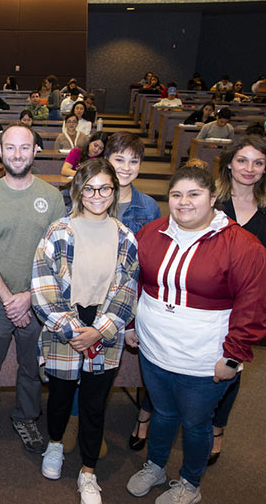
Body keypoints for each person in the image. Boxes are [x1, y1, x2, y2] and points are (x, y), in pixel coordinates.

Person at [125, 166, 266, 504]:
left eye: (194, 194)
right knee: (162, 413)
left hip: (205, 359)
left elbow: (255, 306)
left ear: (213, 197)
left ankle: (190, 483)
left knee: (194, 423)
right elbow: (132, 283)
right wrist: (131, 324)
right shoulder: (151, 233)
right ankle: (155, 465)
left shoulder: (242, 245)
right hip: (155, 351)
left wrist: (233, 356)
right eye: (176, 195)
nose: (183, 202)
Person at [33, 158, 139, 504]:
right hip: (65, 325)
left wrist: (100, 330)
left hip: (103, 330)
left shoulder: (125, 237)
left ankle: (88, 473)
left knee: (95, 405)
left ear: (114, 191)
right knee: (60, 399)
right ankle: (54, 445)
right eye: (90, 188)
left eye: (104, 188)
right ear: (79, 190)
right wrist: (73, 329)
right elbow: (42, 286)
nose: (97, 195)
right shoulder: (58, 231)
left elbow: (127, 291)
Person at [0, 124, 66, 459]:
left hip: (38, 304)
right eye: (10, 148)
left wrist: (29, 298)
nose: (17, 154)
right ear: (0, 150)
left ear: (36, 150)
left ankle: (26, 417)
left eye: (24, 148)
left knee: (30, 369)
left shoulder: (52, 197)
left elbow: (58, 255)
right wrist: (12, 299)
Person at [208, 137, 266, 465]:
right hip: (209, 293)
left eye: (258, 163)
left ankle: (217, 427)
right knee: (200, 358)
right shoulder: (212, 197)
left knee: (232, 362)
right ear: (229, 162)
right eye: (243, 161)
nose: (249, 169)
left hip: (248, 298)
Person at [102, 133, 161, 450]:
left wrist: (135, 317)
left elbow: (151, 265)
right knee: (87, 370)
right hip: (93, 297)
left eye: (134, 160)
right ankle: (79, 423)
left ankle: (144, 419)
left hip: (132, 300)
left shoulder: (149, 207)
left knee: (149, 367)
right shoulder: (91, 195)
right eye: (119, 159)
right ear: (107, 159)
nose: (126, 167)